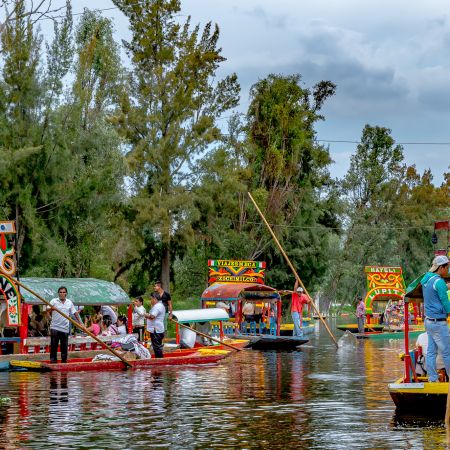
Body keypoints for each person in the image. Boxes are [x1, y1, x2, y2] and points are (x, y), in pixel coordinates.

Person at [422, 255, 450, 382]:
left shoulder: (427, 279)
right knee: (447, 353)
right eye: (447, 267)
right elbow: (445, 302)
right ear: (441, 267)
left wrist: (446, 286)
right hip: (439, 323)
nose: (448, 270)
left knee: (431, 352)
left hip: (429, 321)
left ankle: (432, 379)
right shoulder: (439, 282)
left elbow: (434, 291)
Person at [47, 286, 81, 363]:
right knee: (53, 346)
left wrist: (80, 323)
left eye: (63, 292)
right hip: (55, 327)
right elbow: (46, 310)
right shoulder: (54, 301)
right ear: (58, 293)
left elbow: (75, 313)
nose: (62, 294)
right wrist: (51, 309)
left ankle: (64, 361)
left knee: (64, 347)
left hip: (65, 328)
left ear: (66, 293)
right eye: (60, 292)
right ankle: (53, 361)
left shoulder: (69, 302)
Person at [143, 293, 166, 358]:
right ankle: (159, 359)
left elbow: (152, 316)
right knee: (157, 346)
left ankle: (160, 361)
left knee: (157, 347)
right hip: (157, 329)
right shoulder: (159, 305)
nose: (150, 301)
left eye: (151, 299)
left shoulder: (157, 306)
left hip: (156, 330)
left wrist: (145, 315)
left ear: (154, 299)